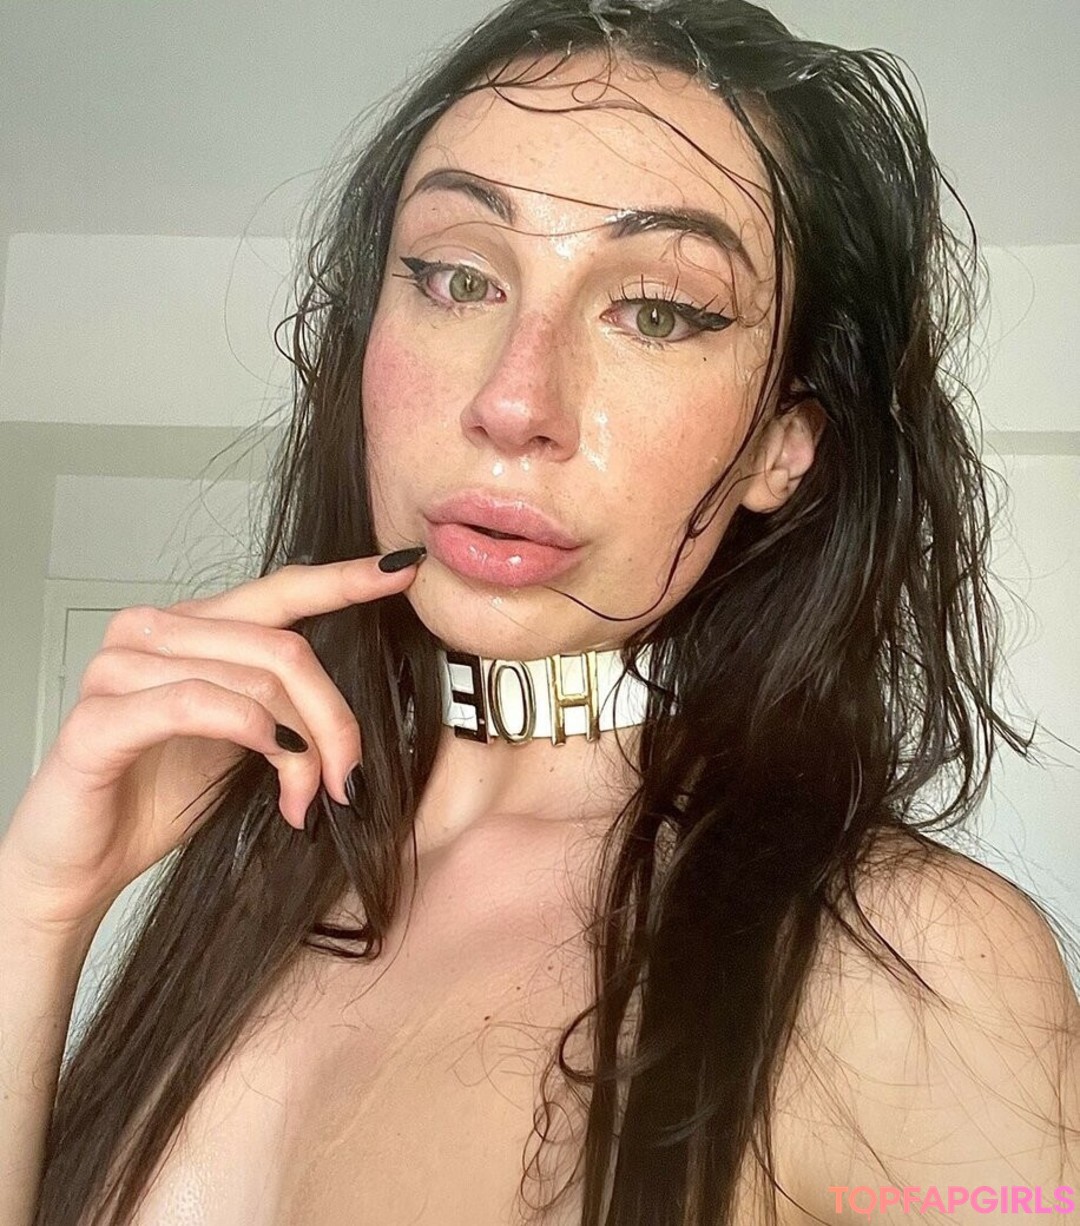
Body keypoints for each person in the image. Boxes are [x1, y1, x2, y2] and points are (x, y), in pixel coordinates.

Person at [1, 0, 1077, 1222]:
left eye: (658, 311)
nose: (514, 403)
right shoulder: (255, 874)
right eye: (458, 277)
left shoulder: (914, 967)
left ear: (784, 444)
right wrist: (38, 908)